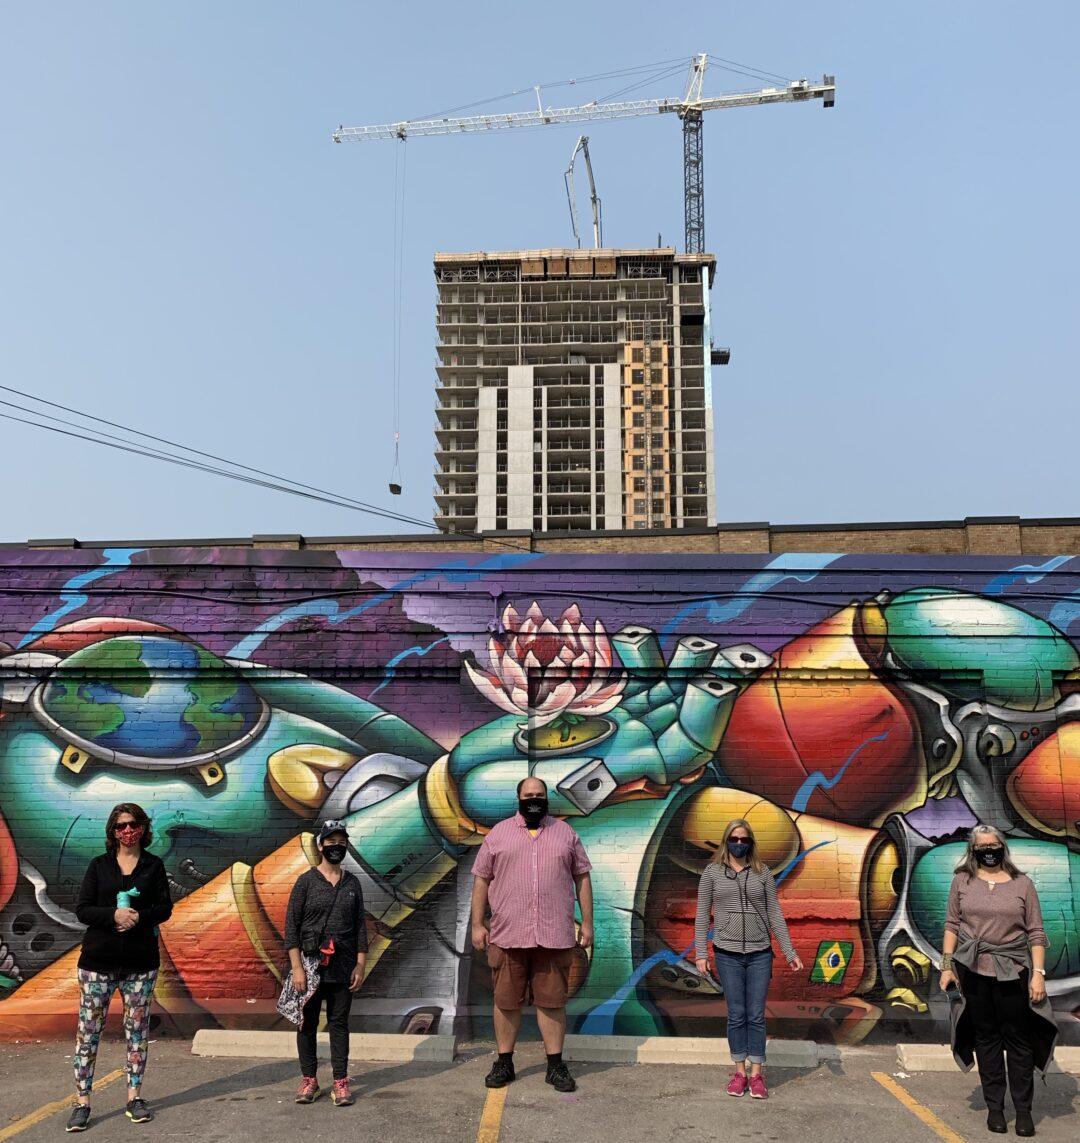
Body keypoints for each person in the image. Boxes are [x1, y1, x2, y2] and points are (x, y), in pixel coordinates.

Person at [470, 777, 593, 1093]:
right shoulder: (498, 834)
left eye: (539, 794)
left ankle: (555, 1066)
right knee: (506, 1002)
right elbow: (481, 880)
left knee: (552, 1003)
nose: (534, 799)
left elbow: (582, 878)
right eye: (528, 795)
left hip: (554, 935)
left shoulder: (566, 834)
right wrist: (477, 924)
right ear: (519, 798)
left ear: (547, 798)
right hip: (508, 935)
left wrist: (588, 923)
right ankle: (504, 1062)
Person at [939, 824, 1056, 1137]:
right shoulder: (962, 881)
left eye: (993, 845)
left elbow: (1036, 932)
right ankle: (995, 1109)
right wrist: (947, 967)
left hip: (1014, 971)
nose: (988, 851)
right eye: (982, 847)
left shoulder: (1022, 884)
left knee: (1018, 1040)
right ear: (973, 850)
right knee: (986, 1039)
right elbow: (951, 925)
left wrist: (1038, 975)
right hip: (973, 971)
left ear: (1002, 847)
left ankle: (1024, 1111)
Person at [66, 803, 173, 1133]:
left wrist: (139, 917)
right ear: (112, 832)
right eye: (121, 826)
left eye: (133, 824)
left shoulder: (153, 866)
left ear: (143, 828)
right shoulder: (99, 866)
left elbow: (165, 908)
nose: (128, 831)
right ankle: (82, 1102)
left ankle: (134, 1098)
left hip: (140, 965)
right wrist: (113, 915)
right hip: (97, 964)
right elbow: (83, 909)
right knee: (88, 1033)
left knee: (137, 1033)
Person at [694, 818, 803, 1100]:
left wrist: (789, 951)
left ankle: (756, 1075)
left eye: (744, 840)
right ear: (726, 841)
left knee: (755, 1015)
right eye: (734, 839)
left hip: (759, 954)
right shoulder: (712, 873)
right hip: (727, 954)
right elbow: (702, 913)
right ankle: (739, 1073)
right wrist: (701, 953)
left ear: (751, 842)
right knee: (736, 1014)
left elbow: (775, 913)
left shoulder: (762, 872)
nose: (739, 844)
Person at [285, 820, 367, 1108]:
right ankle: (309, 1079)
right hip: (309, 966)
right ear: (320, 845)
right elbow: (291, 927)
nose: (337, 847)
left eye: (342, 843)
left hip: (343, 966)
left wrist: (360, 964)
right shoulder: (306, 882)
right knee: (307, 1024)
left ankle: (340, 1081)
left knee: (339, 1024)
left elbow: (360, 927)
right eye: (331, 842)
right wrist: (297, 968)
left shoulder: (352, 883)